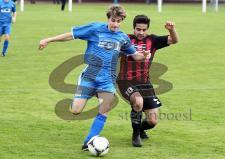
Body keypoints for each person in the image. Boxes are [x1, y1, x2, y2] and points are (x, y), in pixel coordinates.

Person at [39, 5, 150, 151]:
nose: (115, 24)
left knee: (105, 108)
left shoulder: (122, 38)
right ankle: (81, 100)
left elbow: (135, 55)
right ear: (108, 18)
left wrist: (144, 56)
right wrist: (48, 40)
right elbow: (71, 35)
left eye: (119, 21)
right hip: (90, 77)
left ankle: (88, 141)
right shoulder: (94, 29)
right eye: (113, 20)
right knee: (76, 111)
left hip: (107, 81)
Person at [117, 15, 179, 147]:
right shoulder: (124, 39)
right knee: (138, 102)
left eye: (143, 30)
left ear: (147, 29)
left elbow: (174, 40)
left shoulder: (153, 40)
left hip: (145, 82)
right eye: (138, 29)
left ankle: (140, 129)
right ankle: (135, 136)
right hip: (125, 80)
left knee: (153, 121)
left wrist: (171, 30)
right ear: (133, 28)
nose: (141, 33)